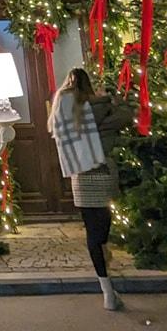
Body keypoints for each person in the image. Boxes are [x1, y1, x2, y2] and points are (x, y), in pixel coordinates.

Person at [48, 67, 131, 311]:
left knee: (92, 233)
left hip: (81, 177)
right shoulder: (98, 107)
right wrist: (112, 100)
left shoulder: (60, 110)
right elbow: (125, 117)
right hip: (102, 173)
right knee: (103, 231)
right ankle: (109, 281)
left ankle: (106, 290)